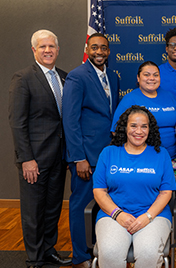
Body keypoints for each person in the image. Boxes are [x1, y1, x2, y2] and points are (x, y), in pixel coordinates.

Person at [8, 29, 72, 268]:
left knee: (53, 208)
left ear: (57, 50)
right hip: (34, 159)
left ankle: (48, 250)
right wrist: (26, 159)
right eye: (43, 47)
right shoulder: (23, 78)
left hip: (58, 157)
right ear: (34, 50)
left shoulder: (65, 77)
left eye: (52, 47)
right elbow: (17, 122)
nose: (48, 51)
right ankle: (35, 259)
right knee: (33, 211)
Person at [93, 105, 176, 268]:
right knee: (110, 252)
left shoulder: (161, 154)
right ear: (125, 128)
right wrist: (118, 214)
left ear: (149, 129)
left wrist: (148, 216)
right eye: (133, 125)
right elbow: (99, 191)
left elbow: (166, 192)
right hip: (113, 214)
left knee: (148, 253)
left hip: (154, 215)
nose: (139, 131)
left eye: (144, 126)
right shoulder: (108, 153)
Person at [63, 33, 120, 268]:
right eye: (94, 47)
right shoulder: (77, 77)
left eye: (104, 48)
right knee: (81, 206)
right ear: (87, 48)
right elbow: (70, 120)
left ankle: (97, 249)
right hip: (86, 157)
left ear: (108, 51)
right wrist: (78, 157)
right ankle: (80, 257)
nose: (99, 52)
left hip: (107, 154)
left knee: (102, 206)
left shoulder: (113, 77)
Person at [111, 61, 176, 161]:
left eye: (155, 75)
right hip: (142, 159)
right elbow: (115, 131)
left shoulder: (169, 96)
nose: (151, 78)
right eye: (146, 75)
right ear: (138, 78)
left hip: (171, 159)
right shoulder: (130, 99)